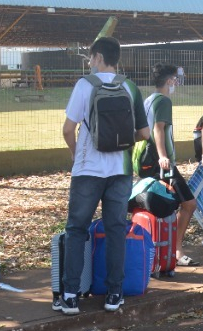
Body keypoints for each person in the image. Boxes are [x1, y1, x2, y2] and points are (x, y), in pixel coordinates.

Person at [58, 36, 149, 315]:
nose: (90, 62)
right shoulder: (130, 87)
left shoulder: (85, 85)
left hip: (88, 170)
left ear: (98, 57)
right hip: (120, 170)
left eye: (90, 57)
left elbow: (67, 129)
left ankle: (71, 294)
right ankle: (114, 292)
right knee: (115, 230)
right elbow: (144, 134)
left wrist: (76, 153)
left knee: (76, 229)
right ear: (117, 58)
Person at [140, 63, 198, 257]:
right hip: (161, 162)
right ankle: (176, 249)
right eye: (175, 79)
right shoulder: (164, 101)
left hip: (147, 160)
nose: (176, 83)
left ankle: (160, 250)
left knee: (159, 205)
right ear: (169, 81)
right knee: (188, 203)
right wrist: (164, 156)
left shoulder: (148, 100)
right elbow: (158, 128)